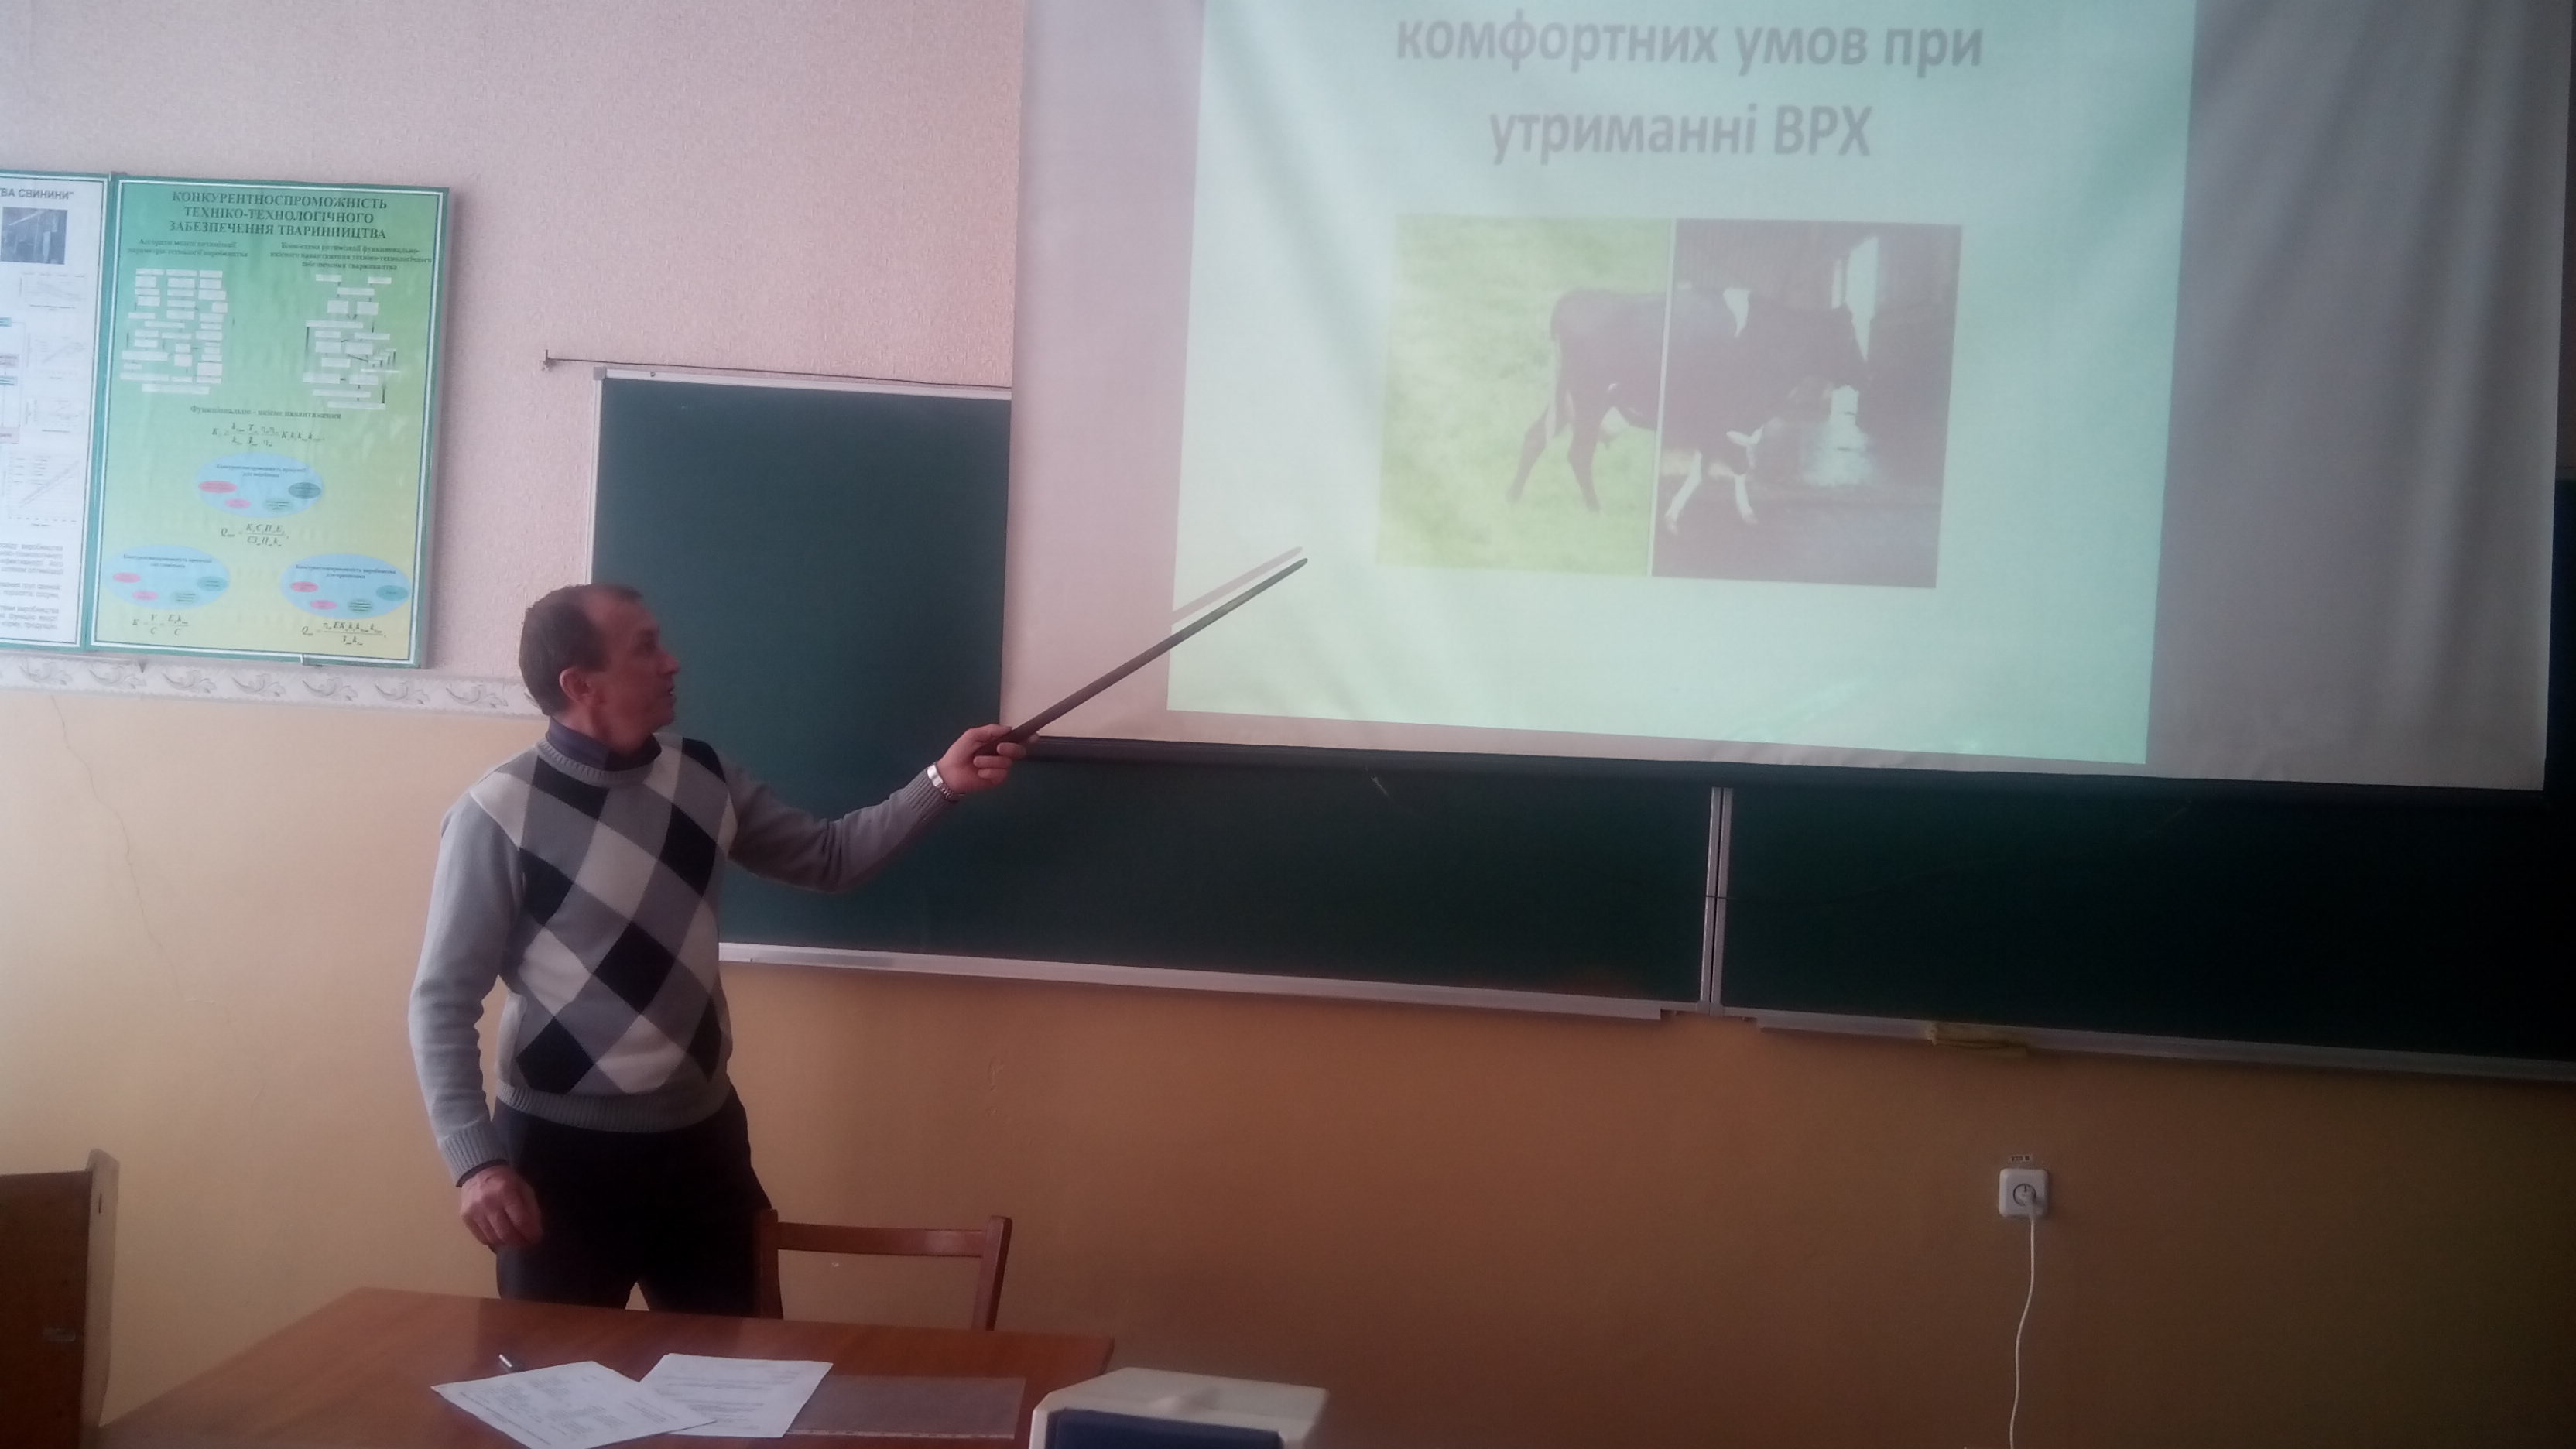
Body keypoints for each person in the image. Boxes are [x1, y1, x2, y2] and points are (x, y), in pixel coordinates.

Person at [407, 581, 1023, 1312]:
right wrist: (476, 1163)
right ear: (581, 684)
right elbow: (442, 1002)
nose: (672, 662)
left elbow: (829, 858)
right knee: (556, 1376)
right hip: (555, 1159)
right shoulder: (497, 812)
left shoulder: (705, 777)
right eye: (645, 648)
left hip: (701, 1145)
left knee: (745, 1367)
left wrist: (941, 782)